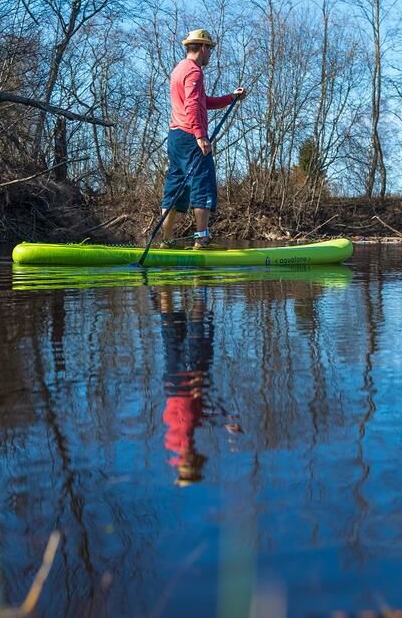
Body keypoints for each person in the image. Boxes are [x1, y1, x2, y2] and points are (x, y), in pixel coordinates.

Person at [159, 29, 248, 249]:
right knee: (203, 183)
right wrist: (200, 135)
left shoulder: (179, 69)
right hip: (191, 136)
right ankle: (202, 239)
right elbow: (192, 105)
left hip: (175, 137)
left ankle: (166, 240)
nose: (211, 55)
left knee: (176, 186)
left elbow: (202, 101)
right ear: (203, 47)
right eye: (211, 50)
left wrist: (231, 98)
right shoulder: (195, 72)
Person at [156, 287, 214, 486]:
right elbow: (203, 411)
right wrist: (227, 421)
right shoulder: (193, 430)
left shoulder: (173, 443)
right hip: (186, 378)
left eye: (186, 466)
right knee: (195, 326)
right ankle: (199, 284)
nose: (189, 461)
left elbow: (194, 415)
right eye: (192, 464)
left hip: (175, 382)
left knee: (169, 324)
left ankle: (164, 281)